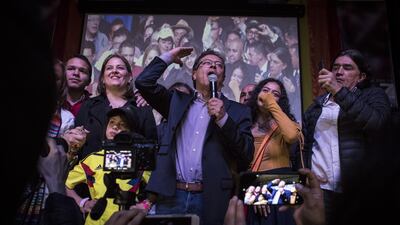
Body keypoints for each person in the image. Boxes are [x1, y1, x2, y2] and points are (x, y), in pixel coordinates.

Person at [135, 46, 254, 225]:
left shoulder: (238, 111)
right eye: (207, 63)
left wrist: (223, 120)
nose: (213, 67)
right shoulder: (176, 102)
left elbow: (246, 153)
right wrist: (168, 58)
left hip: (211, 196)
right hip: (171, 195)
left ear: (223, 78)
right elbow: (143, 82)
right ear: (194, 74)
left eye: (219, 65)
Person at [298, 49, 391, 224]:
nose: (339, 72)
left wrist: (339, 91)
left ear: (361, 76)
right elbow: (305, 148)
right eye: (335, 67)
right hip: (321, 191)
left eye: (347, 68)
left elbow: (378, 125)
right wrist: (306, 178)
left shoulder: (374, 95)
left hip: (358, 191)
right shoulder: (316, 107)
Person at [66, 107, 152, 225]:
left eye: (122, 124)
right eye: (112, 122)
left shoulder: (140, 160)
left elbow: (157, 189)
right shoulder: (92, 159)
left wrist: (145, 205)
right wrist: (83, 203)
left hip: (127, 221)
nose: (116, 127)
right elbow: (64, 183)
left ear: (131, 132)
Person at [74, 54, 157, 159]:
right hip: (89, 172)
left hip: (131, 173)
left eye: (120, 68)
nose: (114, 71)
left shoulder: (142, 107)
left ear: (130, 77)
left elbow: (151, 148)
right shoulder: (88, 105)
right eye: (109, 68)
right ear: (103, 78)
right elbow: (76, 143)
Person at [246, 78, 301, 225]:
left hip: (282, 187)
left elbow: (292, 136)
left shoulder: (285, 126)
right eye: (265, 91)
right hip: (253, 189)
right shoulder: (245, 125)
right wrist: (255, 191)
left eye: (275, 94)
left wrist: (271, 104)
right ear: (256, 94)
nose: (269, 95)